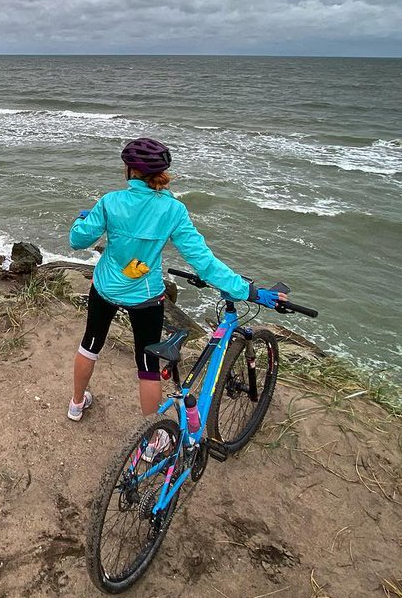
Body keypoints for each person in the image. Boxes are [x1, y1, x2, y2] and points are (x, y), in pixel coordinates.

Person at [67, 137, 285, 426]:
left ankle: (76, 404)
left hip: (105, 288)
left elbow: (77, 240)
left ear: (130, 170)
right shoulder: (173, 211)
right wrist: (248, 290)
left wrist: (83, 220)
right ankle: (152, 436)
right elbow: (203, 262)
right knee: (147, 366)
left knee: (90, 344)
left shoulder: (111, 202)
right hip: (145, 296)